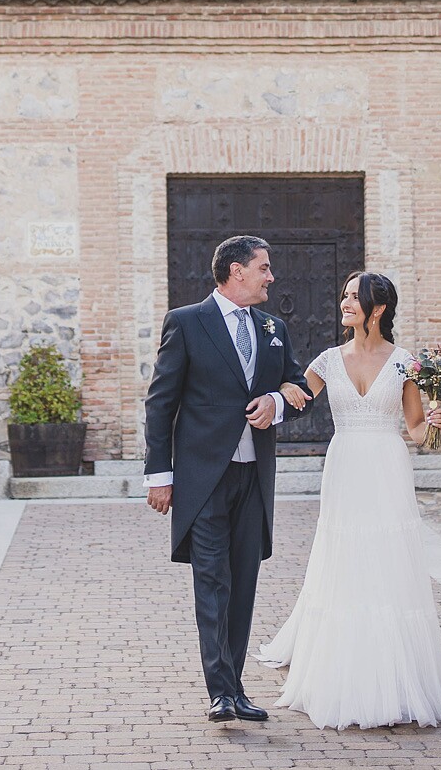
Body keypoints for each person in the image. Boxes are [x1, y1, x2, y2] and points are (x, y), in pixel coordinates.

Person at [255, 270, 441, 729]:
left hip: (387, 465)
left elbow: (419, 434)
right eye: (343, 295)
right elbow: (297, 397)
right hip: (344, 466)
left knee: (387, 561)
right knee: (345, 558)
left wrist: (438, 423)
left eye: (353, 298)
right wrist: (272, 400)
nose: (344, 303)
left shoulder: (405, 363)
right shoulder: (327, 360)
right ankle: (343, 666)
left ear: (378, 309)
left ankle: (395, 672)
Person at [143, 234, 310, 723]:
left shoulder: (274, 327)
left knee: (243, 585)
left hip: (253, 479)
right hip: (203, 480)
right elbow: (161, 402)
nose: (270, 276)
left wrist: (277, 402)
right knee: (212, 581)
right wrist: (160, 475)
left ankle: (236, 688)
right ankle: (220, 691)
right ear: (237, 271)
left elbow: (300, 387)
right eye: (263, 267)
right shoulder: (187, 322)